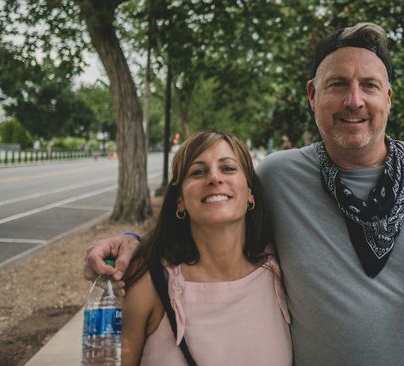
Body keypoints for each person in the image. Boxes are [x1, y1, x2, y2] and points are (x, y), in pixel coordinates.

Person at [85, 22, 404, 365]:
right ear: (312, 95)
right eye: (338, 84)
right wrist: (134, 243)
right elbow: (212, 213)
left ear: (388, 98)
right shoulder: (278, 176)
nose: (353, 100)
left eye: (369, 86)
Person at [117, 130, 291, 365]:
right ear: (180, 200)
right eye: (198, 172)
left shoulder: (281, 269)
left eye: (228, 168)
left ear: (250, 192)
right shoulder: (148, 282)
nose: (214, 178)